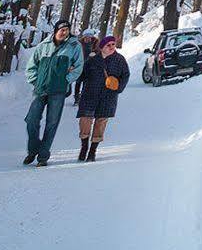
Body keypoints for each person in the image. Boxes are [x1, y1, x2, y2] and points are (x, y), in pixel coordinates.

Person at [23, 19, 84, 167]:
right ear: (56, 30)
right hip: (41, 89)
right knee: (31, 120)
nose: (64, 32)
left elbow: (78, 66)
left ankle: (43, 156)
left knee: (52, 123)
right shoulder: (43, 46)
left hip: (58, 91)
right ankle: (33, 150)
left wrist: (66, 80)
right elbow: (31, 66)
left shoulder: (74, 46)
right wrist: (35, 81)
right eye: (62, 29)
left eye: (67, 30)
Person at [73, 34, 130, 162]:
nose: (111, 47)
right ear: (102, 47)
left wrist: (118, 88)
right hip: (89, 94)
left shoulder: (120, 60)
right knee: (85, 121)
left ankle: (93, 150)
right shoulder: (92, 60)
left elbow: (125, 75)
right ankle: (84, 146)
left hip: (108, 96)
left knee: (101, 122)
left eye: (113, 44)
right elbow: (82, 75)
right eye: (108, 45)